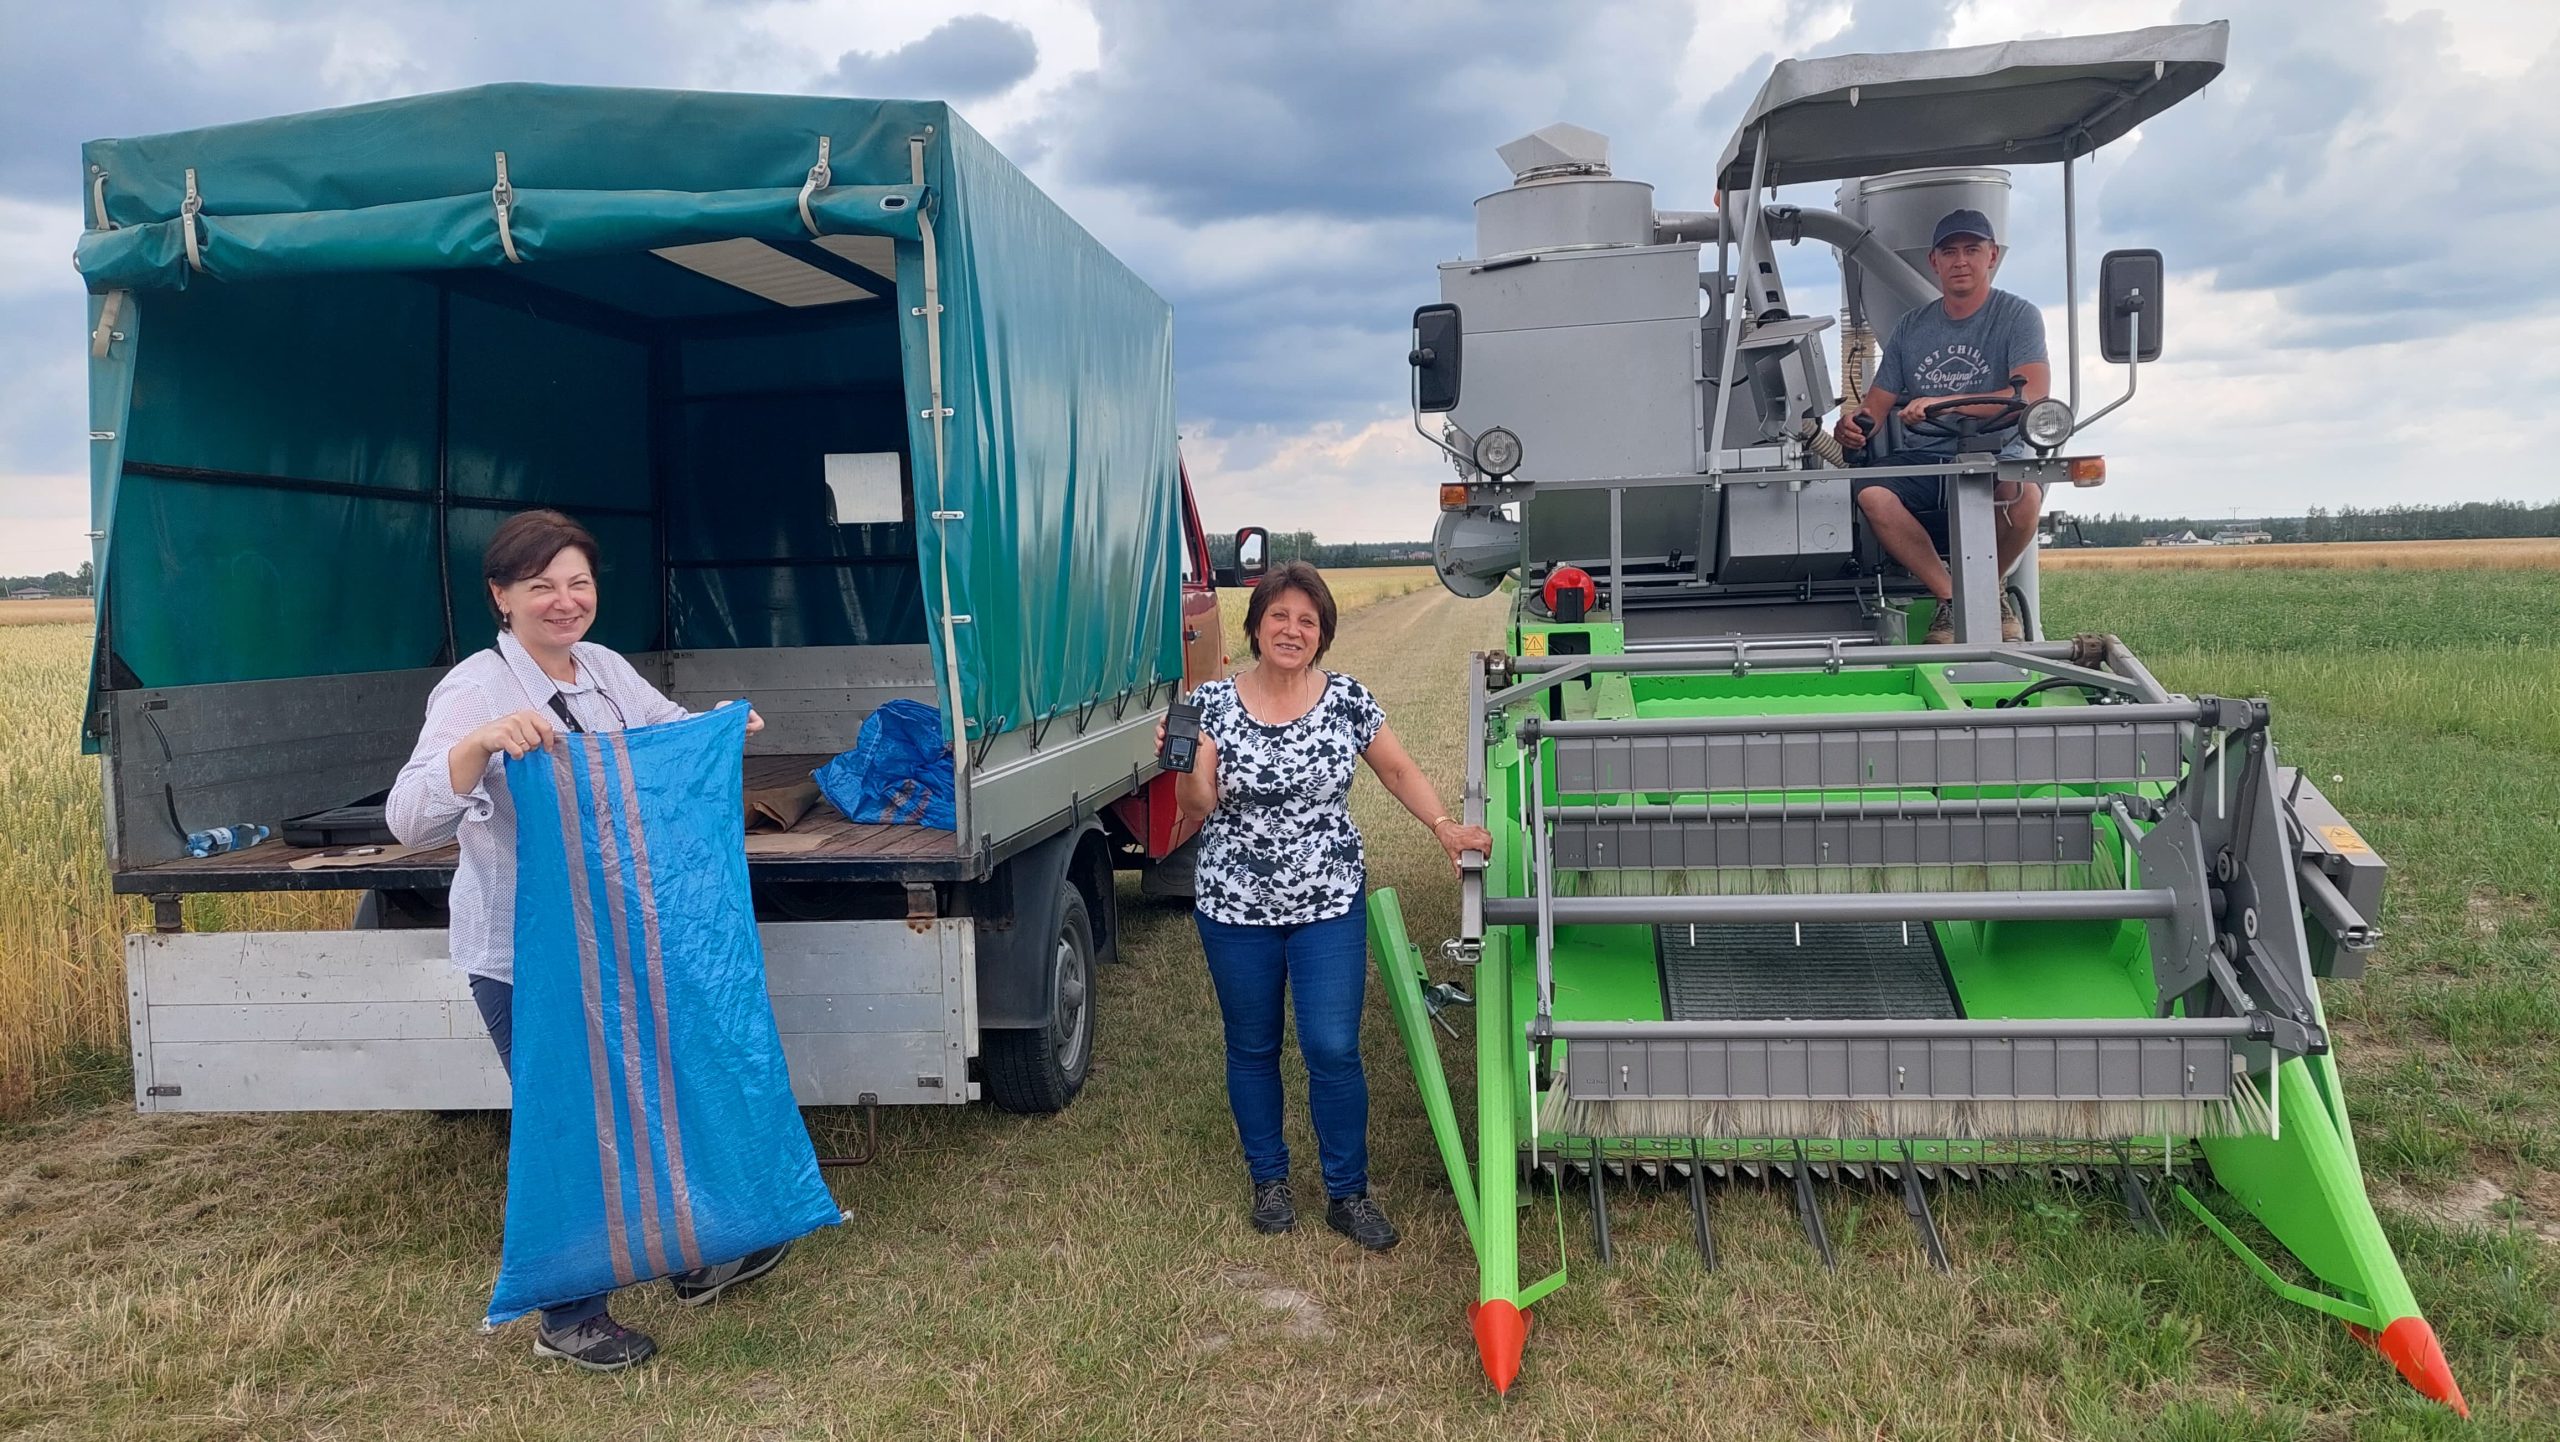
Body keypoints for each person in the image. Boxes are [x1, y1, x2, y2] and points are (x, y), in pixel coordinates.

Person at [387, 508, 782, 1372]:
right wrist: (480, 745)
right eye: (542, 587)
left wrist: (719, 726)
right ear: (501, 597)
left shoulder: (601, 667)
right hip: (525, 958)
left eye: (579, 583)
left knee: (648, 1100)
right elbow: (409, 818)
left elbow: (663, 738)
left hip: (615, 939)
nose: (565, 601)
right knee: (568, 1123)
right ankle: (569, 1317)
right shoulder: (474, 690)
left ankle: (690, 1258)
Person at [1166, 562, 1493, 1251]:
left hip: (1328, 900)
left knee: (1332, 1046)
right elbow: (1194, 808)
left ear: (1322, 634)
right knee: (1252, 1045)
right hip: (1235, 906)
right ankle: (1270, 1181)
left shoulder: (1347, 700)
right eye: (1279, 616)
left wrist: (1443, 826)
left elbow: (1396, 768)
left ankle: (1348, 1193)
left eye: (1307, 620)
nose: (1292, 630)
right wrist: (1190, 764)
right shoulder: (1211, 705)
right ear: (1256, 625)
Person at [1832, 207, 2051, 643]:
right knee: (1872, 493)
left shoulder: (2018, 316)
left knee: (2025, 496)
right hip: (1928, 460)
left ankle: (1989, 590)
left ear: (1992, 256)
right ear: (1934, 261)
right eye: (1949, 252)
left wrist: (1944, 403)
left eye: (1972, 250)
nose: (1960, 261)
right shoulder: (1911, 328)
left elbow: (2032, 398)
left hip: (1997, 457)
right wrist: (1850, 427)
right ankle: (1950, 598)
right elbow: (1873, 409)